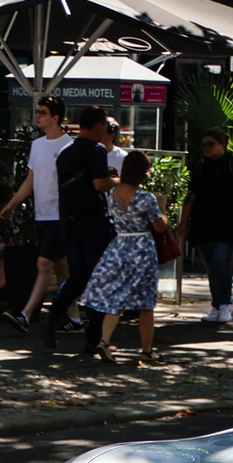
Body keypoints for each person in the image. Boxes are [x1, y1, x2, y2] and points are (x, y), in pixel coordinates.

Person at [79, 149, 167, 365]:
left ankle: (104, 340)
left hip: (119, 246)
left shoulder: (112, 194)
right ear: (144, 172)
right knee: (147, 302)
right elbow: (160, 227)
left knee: (116, 298)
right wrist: (162, 207)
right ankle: (146, 350)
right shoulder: (146, 198)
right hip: (141, 247)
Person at [39, 105, 117, 348]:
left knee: (79, 275)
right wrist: (119, 180)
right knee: (99, 277)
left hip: (69, 223)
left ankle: (54, 313)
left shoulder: (64, 152)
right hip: (94, 222)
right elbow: (99, 184)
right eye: (104, 127)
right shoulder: (96, 149)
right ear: (97, 126)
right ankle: (94, 337)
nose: (106, 132)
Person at [2, 95, 71, 334]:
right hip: (42, 214)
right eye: (38, 111)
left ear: (56, 117)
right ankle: (75, 318)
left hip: (60, 216)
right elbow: (30, 181)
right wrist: (12, 204)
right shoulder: (37, 145)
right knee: (61, 267)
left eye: (42, 112)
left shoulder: (68, 146)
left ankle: (26, 314)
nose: (38, 115)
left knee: (44, 264)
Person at [177, 126, 233, 326]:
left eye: (211, 144)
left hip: (228, 225)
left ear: (222, 144)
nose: (207, 148)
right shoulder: (201, 168)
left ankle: (225, 304)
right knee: (211, 267)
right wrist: (183, 223)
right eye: (204, 145)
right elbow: (190, 198)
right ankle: (217, 304)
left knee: (221, 262)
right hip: (204, 225)